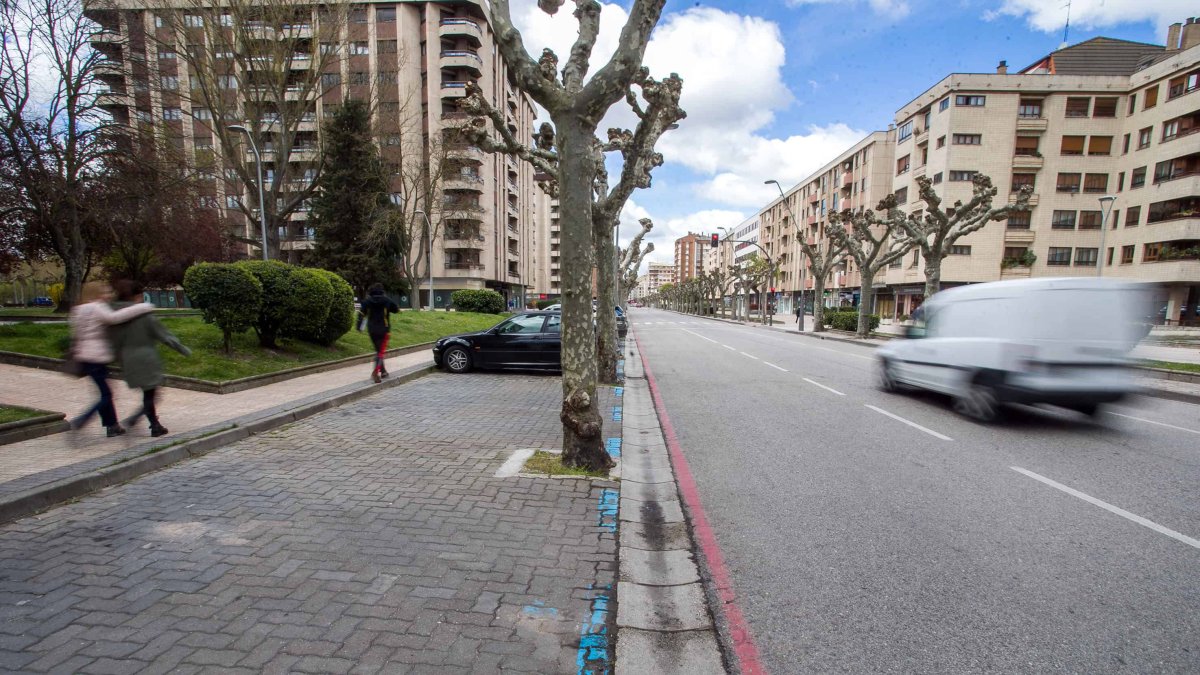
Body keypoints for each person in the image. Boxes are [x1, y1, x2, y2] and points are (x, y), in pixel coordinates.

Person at [68, 281, 155, 437]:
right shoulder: (96, 308)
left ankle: (112, 425)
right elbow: (115, 318)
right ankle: (82, 420)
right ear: (95, 293)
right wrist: (143, 307)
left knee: (104, 393)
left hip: (84, 357)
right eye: (105, 292)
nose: (109, 295)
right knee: (106, 395)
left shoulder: (79, 310)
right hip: (96, 358)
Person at [110, 280, 191, 437]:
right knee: (151, 394)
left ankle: (143, 420)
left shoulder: (113, 317)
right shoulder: (144, 315)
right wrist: (182, 349)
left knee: (148, 393)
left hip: (127, 358)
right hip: (146, 358)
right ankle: (152, 424)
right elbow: (164, 336)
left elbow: (113, 341)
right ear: (137, 296)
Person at [356, 283, 399, 383]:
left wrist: (359, 327)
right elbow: (395, 309)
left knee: (378, 351)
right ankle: (376, 372)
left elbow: (361, 314)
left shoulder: (367, 301)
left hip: (372, 330)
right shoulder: (386, 300)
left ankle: (383, 371)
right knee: (380, 352)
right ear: (382, 291)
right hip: (384, 330)